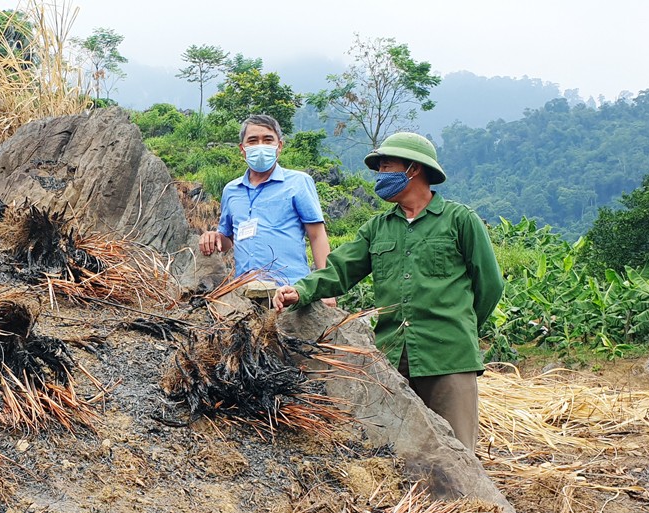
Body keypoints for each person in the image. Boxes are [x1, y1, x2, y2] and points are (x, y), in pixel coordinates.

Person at [273, 132, 503, 451]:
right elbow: (340, 270)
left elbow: (489, 285)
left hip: (449, 358)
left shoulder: (459, 221)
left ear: (413, 169)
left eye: (386, 166)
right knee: (398, 449)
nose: (380, 175)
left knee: (457, 449)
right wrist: (300, 291)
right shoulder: (377, 229)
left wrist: (458, 325)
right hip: (393, 358)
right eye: (379, 168)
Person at [199, 114, 332, 293]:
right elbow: (228, 240)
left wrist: (326, 289)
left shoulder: (298, 182)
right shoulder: (231, 190)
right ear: (242, 148)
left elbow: (317, 236)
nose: (260, 145)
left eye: (268, 140)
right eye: (253, 141)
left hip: (291, 289)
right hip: (245, 292)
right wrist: (213, 237)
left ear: (279, 146)